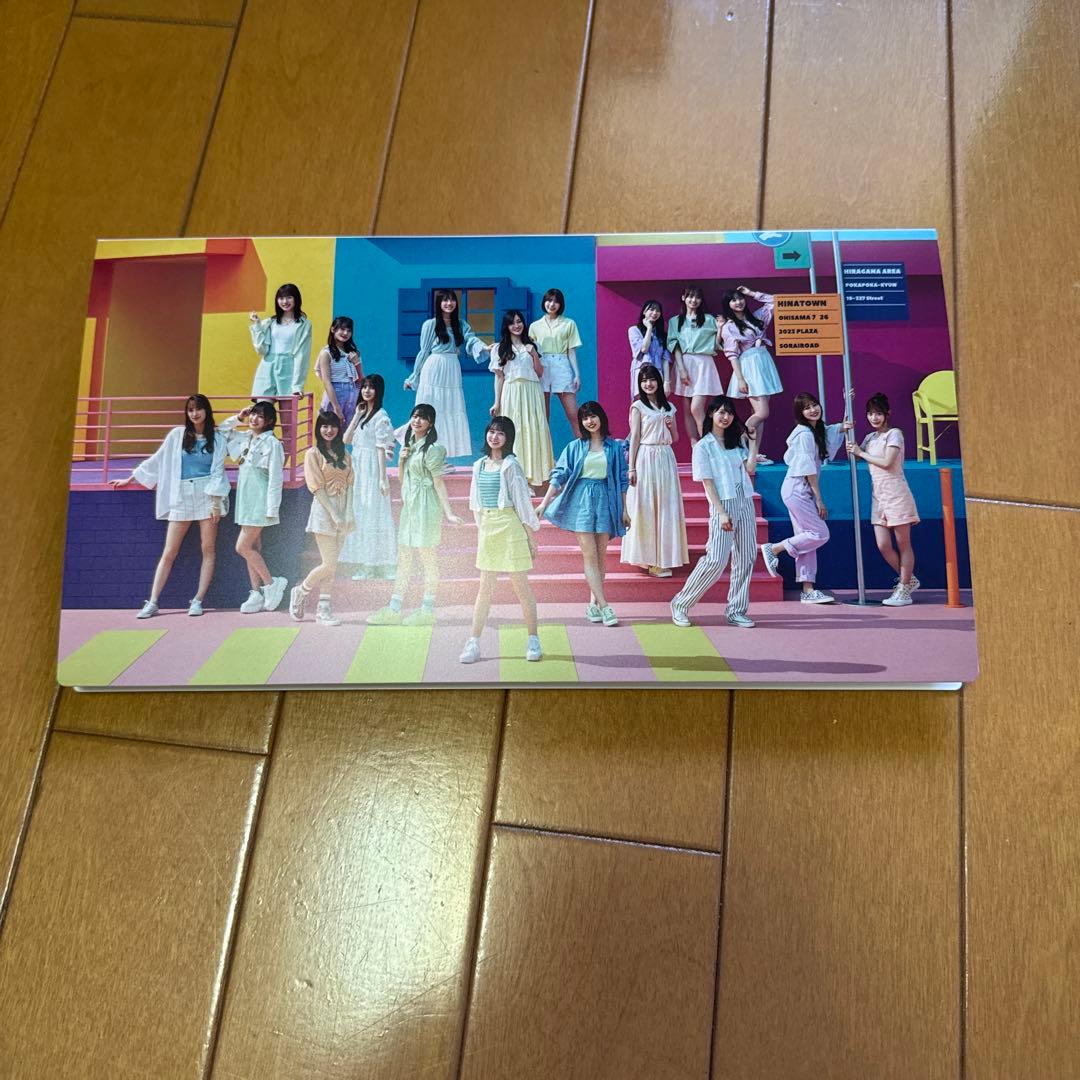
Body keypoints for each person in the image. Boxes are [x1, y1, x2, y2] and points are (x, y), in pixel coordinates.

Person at [109, 394, 230, 618]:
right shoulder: (177, 435)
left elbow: (217, 472)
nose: (194, 413)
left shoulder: (217, 438)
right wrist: (131, 478)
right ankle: (153, 601)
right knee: (169, 551)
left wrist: (215, 502)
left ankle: (198, 600)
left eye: (199, 409)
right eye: (190, 410)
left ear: (207, 410)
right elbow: (157, 459)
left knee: (208, 548)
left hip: (207, 494)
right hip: (181, 494)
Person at [367, 404, 463, 626]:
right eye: (415, 416)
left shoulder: (434, 449)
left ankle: (427, 610)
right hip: (410, 507)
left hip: (427, 507)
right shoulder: (409, 446)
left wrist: (449, 513)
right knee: (404, 557)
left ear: (431, 423)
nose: (417, 421)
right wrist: (401, 460)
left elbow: (438, 483)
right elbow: (403, 480)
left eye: (423, 418)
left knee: (428, 558)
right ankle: (394, 608)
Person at [536, 401, 630, 627]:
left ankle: (592, 604)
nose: (589, 421)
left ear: (601, 417)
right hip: (581, 502)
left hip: (606, 500)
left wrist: (625, 510)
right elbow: (559, 475)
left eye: (593, 416)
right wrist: (544, 502)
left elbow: (622, 480)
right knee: (589, 555)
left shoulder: (615, 447)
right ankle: (605, 606)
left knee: (600, 557)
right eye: (585, 418)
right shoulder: (574, 447)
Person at [670, 396, 760, 628]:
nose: (725, 417)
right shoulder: (703, 447)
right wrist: (720, 512)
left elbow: (749, 468)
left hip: (744, 499)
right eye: (720, 412)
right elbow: (707, 483)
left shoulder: (734, 443)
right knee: (716, 560)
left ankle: (736, 610)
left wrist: (752, 444)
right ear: (711, 414)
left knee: (746, 556)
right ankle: (681, 603)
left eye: (729, 412)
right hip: (723, 503)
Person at [459, 417, 543, 665]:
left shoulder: (511, 465)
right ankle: (473, 642)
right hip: (488, 528)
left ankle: (533, 639)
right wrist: (483, 531)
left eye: (501, 433)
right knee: (484, 589)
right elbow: (475, 504)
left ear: (508, 439)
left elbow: (522, 504)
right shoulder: (478, 466)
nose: (494, 437)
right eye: (492, 432)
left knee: (521, 587)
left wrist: (530, 538)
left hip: (510, 527)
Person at [759, 392, 851, 602]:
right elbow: (808, 469)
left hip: (799, 489)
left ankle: (808, 590)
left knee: (806, 538)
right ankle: (774, 548)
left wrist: (847, 403)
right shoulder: (805, 435)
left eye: (814, 405)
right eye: (807, 407)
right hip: (798, 489)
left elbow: (838, 428)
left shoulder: (816, 430)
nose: (813, 410)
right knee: (819, 533)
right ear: (800, 413)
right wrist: (819, 499)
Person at [846, 393, 921, 606]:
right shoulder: (870, 438)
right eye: (870, 414)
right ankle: (908, 580)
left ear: (887, 414)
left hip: (896, 493)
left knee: (903, 543)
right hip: (878, 497)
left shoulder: (894, 434)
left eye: (878, 413)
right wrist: (846, 405)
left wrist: (861, 453)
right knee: (883, 545)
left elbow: (887, 462)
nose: (874, 418)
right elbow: (853, 453)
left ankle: (903, 589)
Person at [220, 402, 288, 614]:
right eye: (253, 414)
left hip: (260, 501)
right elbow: (221, 432)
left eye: (260, 416)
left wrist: (272, 508)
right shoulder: (246, 437)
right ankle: (256, 593)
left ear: (269, 421)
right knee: (253, 548)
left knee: (242, 547)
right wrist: (238, 417)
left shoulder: (273, 444)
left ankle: (271, 583)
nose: (254, 418)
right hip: (246, 499)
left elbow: (276, 479)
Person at [404, 289, 490, 457]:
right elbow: (423, 351)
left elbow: (471, 340)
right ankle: (423, 453)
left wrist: (484, 348)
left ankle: (442, 455)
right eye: (445, 300)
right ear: (439, 303)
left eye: (452, 300)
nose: (449, 303)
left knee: (450, 408)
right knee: (431, 407)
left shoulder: (461, 324)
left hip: (452, 369)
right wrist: (413, 377)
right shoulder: (430, 324)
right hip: (434, 367)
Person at [621, 364, 688, 578]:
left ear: (658, 381)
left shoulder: (669, 407)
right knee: (647, 505)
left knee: (666, 506)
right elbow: (635, 438)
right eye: (643, 381)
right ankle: (649, 560)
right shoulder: (637, 407)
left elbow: (675, 438)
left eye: (651, 379)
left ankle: (664, 558)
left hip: (666, 457)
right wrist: (631, 468)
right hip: (645, 457)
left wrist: (670, 425)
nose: (648, 384)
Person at [289, 411, 353, 626]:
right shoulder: (313, 454)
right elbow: (316, 488)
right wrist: (334, 514)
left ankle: (323, 610)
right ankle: (301, 590)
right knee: (329, 563)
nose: (329, 430)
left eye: (333, 426)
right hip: (324, 512)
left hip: (343, 511)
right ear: (318, 429)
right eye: (324, 426)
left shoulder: (345, 455)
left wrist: (348, 513)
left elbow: (350, 486)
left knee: (332, 566)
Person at [339, 374, 397, 582]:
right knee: (361, 514)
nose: (367, 390)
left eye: (371, 387)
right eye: (364, 387)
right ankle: (364, 563)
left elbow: (381, 449)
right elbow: (346, 439)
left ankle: (378, 564)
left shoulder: (381, 416)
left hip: (372, 469)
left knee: (375, 515)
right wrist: (356, 415)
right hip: (359, 469)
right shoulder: (362, 414)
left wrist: (382, 478)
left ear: (378, 391)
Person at [488, 309, 554, 488]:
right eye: (512, 323)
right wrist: (497, 402)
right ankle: (515, 479)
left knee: (532, 430)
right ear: (506, 326)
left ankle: (532, 479)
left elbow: (540, 373)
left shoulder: (533, 345)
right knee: (514, 431)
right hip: (511, 392)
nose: (516, 325)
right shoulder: (499, 348)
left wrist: (533, 354)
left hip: (532, 392)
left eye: (519, 321)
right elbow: (499, 377)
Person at [719, 285, 783, 464]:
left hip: (763, 363)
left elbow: (775, 301)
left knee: (758, 415)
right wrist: (740, 379)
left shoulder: (756, 317)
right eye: (733, 300)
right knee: (762, 413)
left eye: (740, 298)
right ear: (728, 304)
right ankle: (738, 442)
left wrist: (751, 293)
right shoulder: (729, 327)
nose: (738, 302)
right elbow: (732, 355)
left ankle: (753, 454)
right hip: (749, 366)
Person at [666, 285, 721, 442]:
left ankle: (708, 444)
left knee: (696, 408)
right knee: (687, 409)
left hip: (704, 363)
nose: (694, 300)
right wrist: (682, 369)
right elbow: (674, 345)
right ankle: (694, 445)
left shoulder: (709, 320)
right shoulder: (675, 321)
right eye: (690, 296)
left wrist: (720, 329)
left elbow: (717, 345)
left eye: (697, 297)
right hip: (684, 363)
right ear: (683, 298)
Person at [528, 287, 583, 438]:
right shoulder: (534, 326)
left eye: (556, 301)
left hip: (562, 364)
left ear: (561, 304)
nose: (552, 304)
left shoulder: (569, 323)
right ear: (544, 302)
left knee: (573, 414)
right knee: (543, 416)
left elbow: (571, 351)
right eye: (549, 300)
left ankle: (585, 449)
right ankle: (545, 451)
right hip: (542, 366)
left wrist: (577, 375)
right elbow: (530, 352)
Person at [249, 283, 313, 398]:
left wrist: (297, 385)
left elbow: (302, 355)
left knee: (287, 408)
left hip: (289, 368)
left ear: (296, 299)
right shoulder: (270, 322)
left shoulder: (304, 324)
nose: (285, 301)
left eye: (289, 297)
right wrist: (257, 325)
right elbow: (262, 350)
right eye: (281, 298)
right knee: (263, 407)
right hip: (267, 367)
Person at [315, 315, 362, 428]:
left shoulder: (354, 353)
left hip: (353, 393)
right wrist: (336, 407)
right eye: (342, 329)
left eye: (349, 330)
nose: (345, 333)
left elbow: (360, 380)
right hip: (335, 393)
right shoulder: (326, 353)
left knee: (348, 431)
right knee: (330, 428)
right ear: (333, 329)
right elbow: (327, 382)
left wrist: (357, 363)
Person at [627, 300, 671, 398]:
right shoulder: (634, 330)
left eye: (658, 311)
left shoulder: (662, 335)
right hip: (641, 372)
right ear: (644, 311)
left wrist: (667, 382)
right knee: (641, 401)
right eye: (651, 309)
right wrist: (649, 328)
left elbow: (665, 360)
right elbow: (644, 349)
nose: (655, 313)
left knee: (656, 402)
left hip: (657, 372)